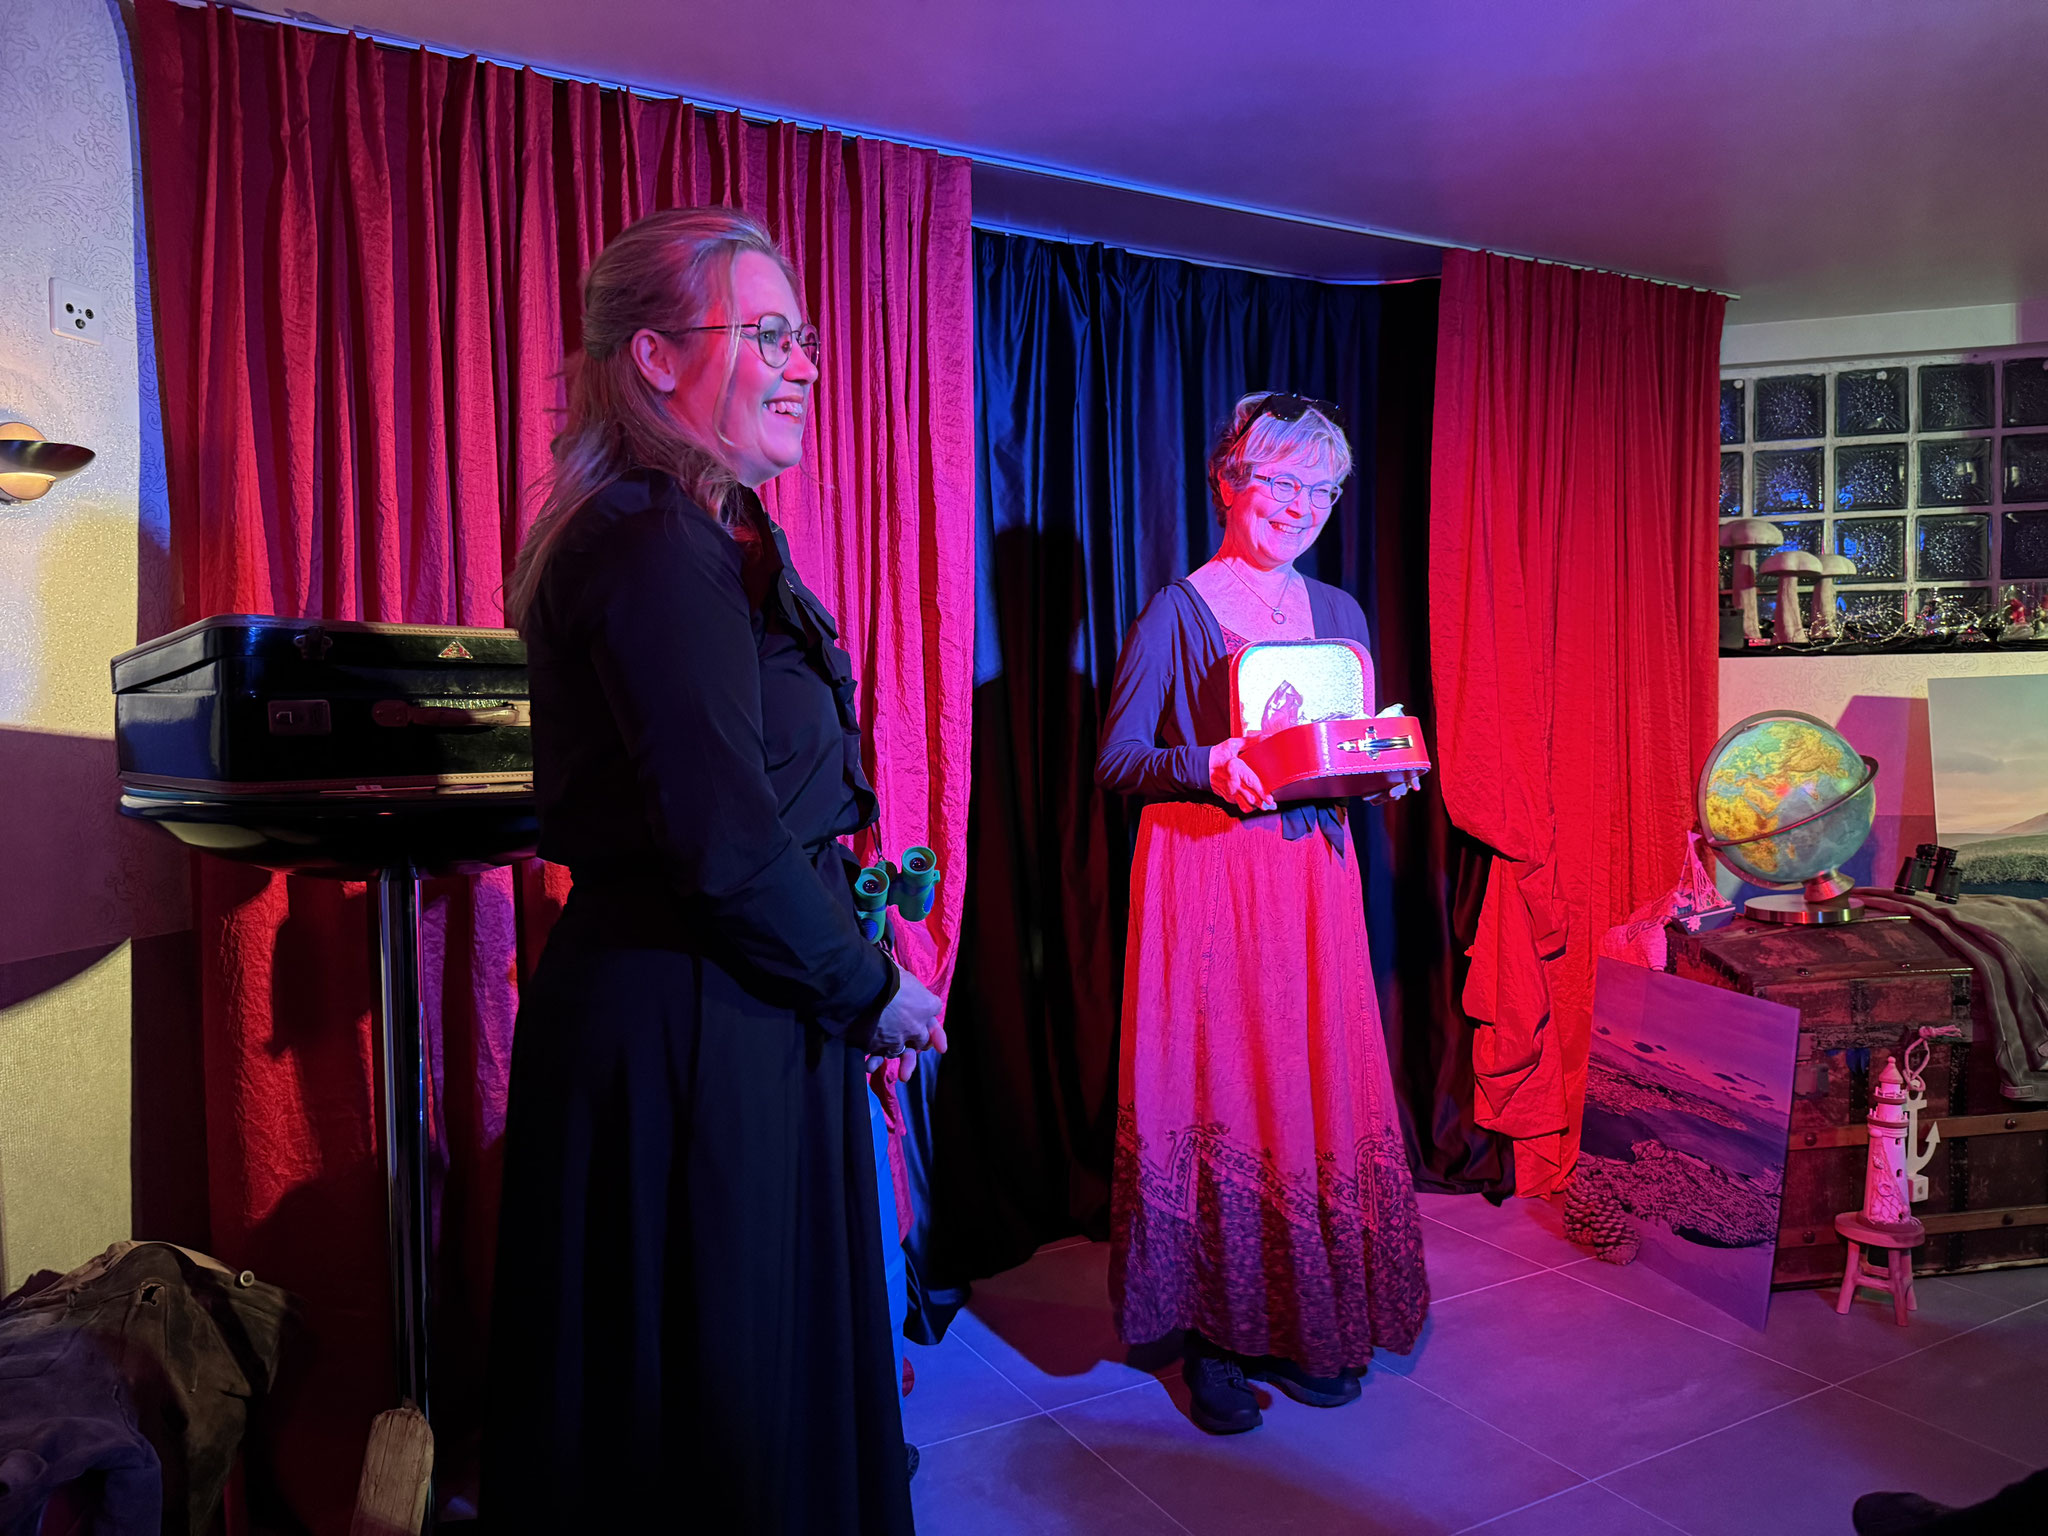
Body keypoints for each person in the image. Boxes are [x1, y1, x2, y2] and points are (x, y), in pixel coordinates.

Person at [484, 207, 942, 1534]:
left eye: (805, 337)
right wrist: (866, 989)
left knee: (745, 1375)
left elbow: (766, 812)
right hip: (689, 1014)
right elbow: (722, 837)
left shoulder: (706, 528)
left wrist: (839, 969)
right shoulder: (649, 539)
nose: (806, 365)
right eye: (771, 335)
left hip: (738, 995)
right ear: (657, 357)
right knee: (716, 1401)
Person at [1096, 392, 1429, 1435]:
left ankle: (1305, 1319)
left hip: (1310, 885)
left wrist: (1381, 769)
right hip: (1208, 882)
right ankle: (1215, 1336)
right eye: (1280, 481)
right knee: (1226, 1089)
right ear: (1230, 483)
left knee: (1305, 1088)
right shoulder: (1178, 611)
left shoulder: (1340, 614)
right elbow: (1120, 760)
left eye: (1320, 489)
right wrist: (1209, 764)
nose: (1299, 505)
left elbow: (1339, 747)